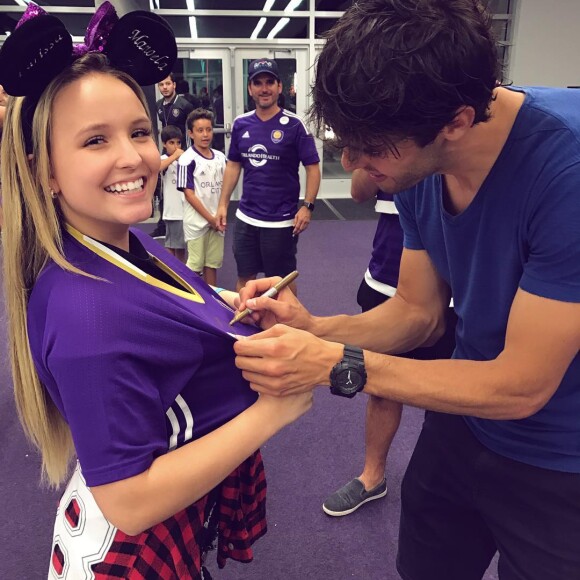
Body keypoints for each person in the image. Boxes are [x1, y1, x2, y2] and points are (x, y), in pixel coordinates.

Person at [231, 1, 580, 579]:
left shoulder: (564, 173)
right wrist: (313, 329)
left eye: (372, 146)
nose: (355, 166)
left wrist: (335, 363)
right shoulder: (423, 164)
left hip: (561, 456)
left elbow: (522, 387)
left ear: (457, 122)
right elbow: (418, 315)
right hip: (463, 418)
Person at [0, 5, 311, 578]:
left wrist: (228, 309)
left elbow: (163, 314)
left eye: (139, 131)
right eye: (95, 140)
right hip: (127, 551)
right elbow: (129, 500)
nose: (134, 156)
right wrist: (276, 408)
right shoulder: (86, 316)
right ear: (45, 171)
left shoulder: (123, 243)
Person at [322, 169, 457, 517]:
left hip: (454, 291)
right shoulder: (378, 147)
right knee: (380, 385)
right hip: (385, 278)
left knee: (450, 397)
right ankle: (372, 476)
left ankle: (445, 486)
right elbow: (357, 193)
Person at [216, 58, 321, 293]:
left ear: (279, 87)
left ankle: (288, 326)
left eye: (270, 82)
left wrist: (308, 206)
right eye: (258, 83)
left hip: (281, 220)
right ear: (250, 89)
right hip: (246, 219)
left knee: (282, 283)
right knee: (245, 278)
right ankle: (246, 327)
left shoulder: (295, 125)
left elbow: (313, 167)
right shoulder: (241, 124)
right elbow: (233, 165)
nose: (264, 88)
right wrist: (223, 204)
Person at [178, 108, 227, 285]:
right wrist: (210, 219)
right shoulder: (186, 159)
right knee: (194, 266)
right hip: (197, 223)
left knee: (212, 264)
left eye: (209, 129)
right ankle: (191, 306)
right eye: (200, 130)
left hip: (217, 220)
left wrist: (219, 216)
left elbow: (226, 188)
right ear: (191, 133)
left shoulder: (221, 157)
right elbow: (189, 194)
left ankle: (213, 304)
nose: (205, 134)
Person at [160, 125, 186, 262]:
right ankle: (174, 271)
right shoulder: (163, 158)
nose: (176, 146)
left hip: (185, 209)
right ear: (164, 144)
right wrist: (174, 157)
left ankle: (181, 271)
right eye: (171, 143)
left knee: (180, 245)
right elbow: (158, 167)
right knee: (173, 244)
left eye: (178, 142)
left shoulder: (185, 159)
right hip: (174, 211)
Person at [156, 73, 195, 144]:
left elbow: (192, 129)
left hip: (182, 148)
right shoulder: (158, 104)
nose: (164, 87)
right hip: (167, 148)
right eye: (161, 84)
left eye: (168, 84)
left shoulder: (185, 105)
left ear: (174, 85)